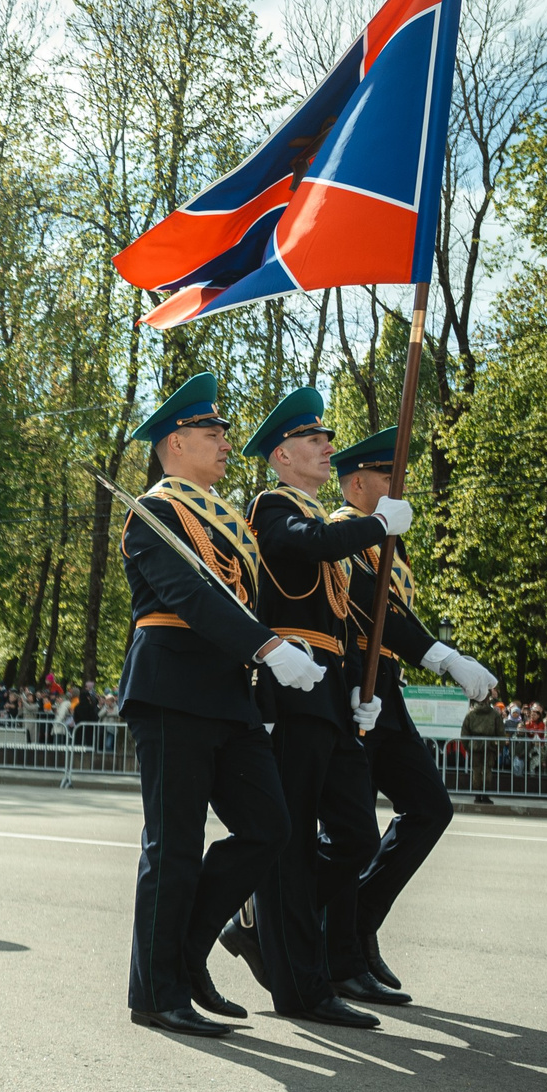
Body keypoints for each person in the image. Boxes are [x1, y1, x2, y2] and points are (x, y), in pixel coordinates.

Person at [115, 373, 324, 1039]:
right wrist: (267, 648)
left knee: (269, 826)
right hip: (173, 686)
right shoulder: (154, 512)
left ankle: (189, 953)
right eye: (212, 433)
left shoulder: (226, 518)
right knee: (173, 847)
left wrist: (263, 670)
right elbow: (190, 597)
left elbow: (243, 599)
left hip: (229, 695)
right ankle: (156, 990)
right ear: (176, 443)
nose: (226, 441)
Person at [213, 387, 397, 1031]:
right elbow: (307, 546)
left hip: (326, 687)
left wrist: (356, 686)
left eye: (325, 439)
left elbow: (346, 618)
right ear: (282, 456)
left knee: (355, 834)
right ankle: (300, 986)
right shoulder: (272, 507)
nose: (327, 447)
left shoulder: (315, 514)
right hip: (290, 687)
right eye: (314, 441)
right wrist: (374, 524)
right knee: (291, 845)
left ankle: (258, 918)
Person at [328, 426, 500, 997]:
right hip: (352, 690)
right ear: (357, 484)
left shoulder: (388, 546)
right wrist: (447, 658)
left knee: (428, 807)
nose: (398, 489)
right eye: (386, 478)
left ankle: (358, 924)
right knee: (347, 829)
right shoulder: (340, 533)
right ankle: (327, 944)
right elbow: (365, 614)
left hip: (386, 692)